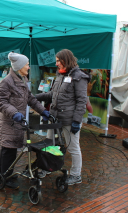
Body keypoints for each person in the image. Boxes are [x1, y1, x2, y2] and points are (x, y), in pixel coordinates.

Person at [0, 52, 50, 189]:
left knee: (10, 150)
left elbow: (30, 98)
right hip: (10, 122)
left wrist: (43, 111)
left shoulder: (23, 80)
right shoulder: (7, 82)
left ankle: (4, 173)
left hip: (17, 123)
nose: (29, 67)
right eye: (27, 64)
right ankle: (4, 177)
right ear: (19, 66)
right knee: (8, 150)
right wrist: (14, 113)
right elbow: (0, 102)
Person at [35, 49, 90, 185]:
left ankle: (76, 175)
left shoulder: (79, 77)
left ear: (66, 60)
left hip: (69, 120)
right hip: (55, 118)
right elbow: (51, 95)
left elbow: (82, 101)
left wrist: (77, 121)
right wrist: (34, 97)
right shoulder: (60, 75)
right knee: (49, 143)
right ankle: (48, 167)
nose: (56, 63)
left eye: (59, 61)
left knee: (73, 148)